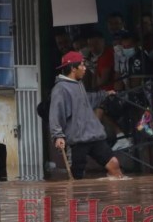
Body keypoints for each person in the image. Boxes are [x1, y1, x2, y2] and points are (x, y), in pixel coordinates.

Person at [49, 51, 126, 180]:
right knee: (76, 178)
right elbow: (55, 114)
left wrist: (104, 95)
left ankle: (114, 200)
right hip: (76, 141)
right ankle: (75, 200)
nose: (85, 69)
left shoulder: (79, 84)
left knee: (114, 165)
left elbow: (88, 100)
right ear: (73, 68)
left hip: (93, 136)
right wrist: (57, 136)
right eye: (82, 65)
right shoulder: (60, 89)